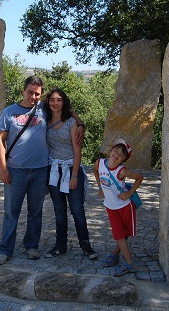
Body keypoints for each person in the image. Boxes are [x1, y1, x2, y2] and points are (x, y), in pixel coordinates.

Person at [0, 76, 83, 265]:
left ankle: (31, 246)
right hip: (16, 170)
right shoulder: (9, 112)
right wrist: (3, 168)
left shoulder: (44, 108)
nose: (33, 97)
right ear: (23, 91)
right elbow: (0, 141)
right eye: (30, 92)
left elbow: (66, 109)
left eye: (37, 94)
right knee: (11, 212)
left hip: (40, 170)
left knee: (35, 211)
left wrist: (80, 123)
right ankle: (5, 249)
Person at [43, 88, 97, 259]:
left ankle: (85, 245)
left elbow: (77, 151)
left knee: (77, 210)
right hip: (54, 170)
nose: (55, 103)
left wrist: (74, 176)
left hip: (71, 169)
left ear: (63, 102)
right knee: (59, 210)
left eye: (59, 100)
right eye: (52, 100)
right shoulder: (45, 120)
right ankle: (60, 245)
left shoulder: (71, 123)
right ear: (48, 102)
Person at [93, 139, 144, 276]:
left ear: (123, 160)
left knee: (124, 234)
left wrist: (129, 193)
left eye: (121, 155)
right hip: (110, 207)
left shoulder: (122, 171)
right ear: (111, 150)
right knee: (118, 234)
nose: (117, 154)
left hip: (125, 207)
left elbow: (139, 178)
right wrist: (99, 186)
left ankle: (117, 255)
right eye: (116, 150)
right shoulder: (99, 163)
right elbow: (95, 170)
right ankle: (129, 263)